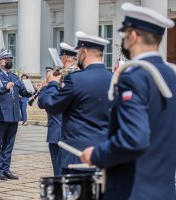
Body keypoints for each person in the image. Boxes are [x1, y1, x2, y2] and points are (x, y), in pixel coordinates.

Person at [80, 3, 176, 200]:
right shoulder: (170, 74)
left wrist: (97, 154)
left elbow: (134, 138)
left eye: (124, 34)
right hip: (164, 190)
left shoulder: (134, 76)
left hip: (132, 190)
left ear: (132, 35)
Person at [38, 34, 112, 174]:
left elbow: (52, 106)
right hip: (105, 153)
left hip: (77, 155)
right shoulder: (114, 78)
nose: (77, 57)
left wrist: (52, 83)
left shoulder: (76, 79)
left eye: (78, 53)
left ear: (84, 52)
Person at [0, 49, 32, 180]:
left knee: (9, 144)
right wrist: (5, 88)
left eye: (11, 59)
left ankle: (6, 168)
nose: (9, 61)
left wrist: (33, 89)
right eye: (7, 59)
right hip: (1, 115)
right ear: (0, 62)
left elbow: (24, 92)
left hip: (14, 115)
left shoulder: (14, 77)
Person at [38, 66, 63, 176]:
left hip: (58, 134)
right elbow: (41, 104)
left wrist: (51, 84)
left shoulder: (56, 89)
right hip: (69, 134)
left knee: (59, 171)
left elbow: (45, 102)